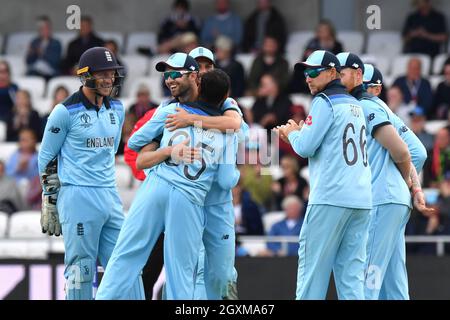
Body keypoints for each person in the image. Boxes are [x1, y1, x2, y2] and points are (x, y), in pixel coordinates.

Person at [96, 63, 238, 300]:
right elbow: (226, 181)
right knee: (180, 270)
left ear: (198, 84)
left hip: (157, 186)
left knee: (125, 255)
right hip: (189, 198)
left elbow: (133, 143)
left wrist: (164, 147)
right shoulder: (228, 131)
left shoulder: (171, 110)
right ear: (225, 97)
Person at [38, 47, 144, 300]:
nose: (109, 79)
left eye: (112, 74)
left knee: (126, 265)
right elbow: (46, 158)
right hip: (78, 196)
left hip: (109, 195)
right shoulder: (64, 112)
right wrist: (50, 199)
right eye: (103, 74)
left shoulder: (117, 109)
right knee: (81, 268)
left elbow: (110, 151)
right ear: (86, 76)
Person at [144, 47, 246, 300]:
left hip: (213, 201)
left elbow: (234, 126)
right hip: (183, 197)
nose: (203, 72)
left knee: (209, 272)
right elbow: (141, 148)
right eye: (198, 67)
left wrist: (191, 120)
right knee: (182, 271)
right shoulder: (169, 108)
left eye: (208, 66)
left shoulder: (227, 104)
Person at [274, 50, 373, 300]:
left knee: (312, 276)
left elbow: (305, 146)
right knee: (351, 280)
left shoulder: (324, 101)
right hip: (361, 200)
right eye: (306, 73)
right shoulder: (355, 103)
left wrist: (292, 134)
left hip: (330, 197)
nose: (308, 78)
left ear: (332, 72)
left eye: (314, 72)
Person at [337, 52, 431, 300]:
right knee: (393, 280)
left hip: (381, 198)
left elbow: (412, 153)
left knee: (369, 275)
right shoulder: (380, 108)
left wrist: (401, 182)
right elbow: (415, 153)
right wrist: (412, 187)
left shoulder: (366, 107)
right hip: (393, 200)